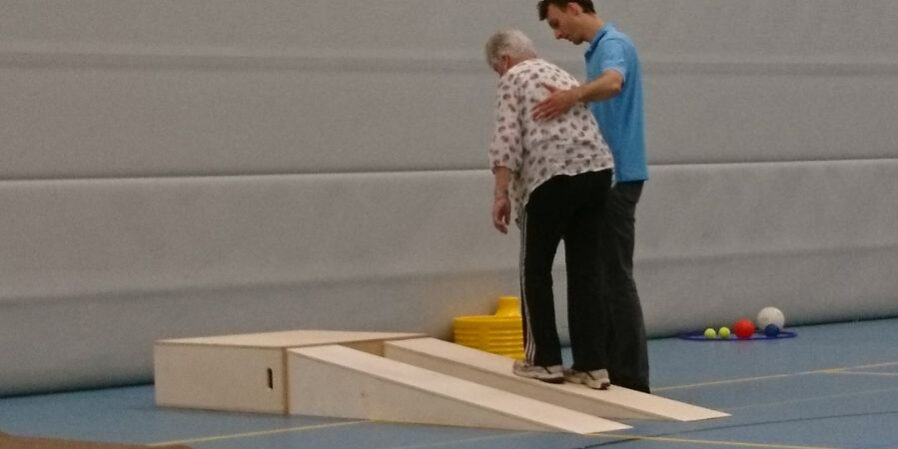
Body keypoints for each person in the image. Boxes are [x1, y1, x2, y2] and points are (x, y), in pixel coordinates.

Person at [485, 29, 615, 389]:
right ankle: (592, 364)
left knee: (536, 269)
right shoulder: (559, 73)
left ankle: (543, 360)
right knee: (586, 270)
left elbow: (507, 138)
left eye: (497, 69)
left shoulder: (513, 78)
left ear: (505, 60)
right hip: (597, 170)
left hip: (551, 177)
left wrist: (501, 193)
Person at [534, 0, 651, 393]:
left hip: (619, 178)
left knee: (616, 276)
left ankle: (631, 376)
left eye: (556, 23)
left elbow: (613, 82)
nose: (557, 33)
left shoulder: (612, 44)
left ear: (573, 7)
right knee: (599, 275)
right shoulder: (596, 51)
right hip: (607, 177)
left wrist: (573, 96)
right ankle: (605, 364)